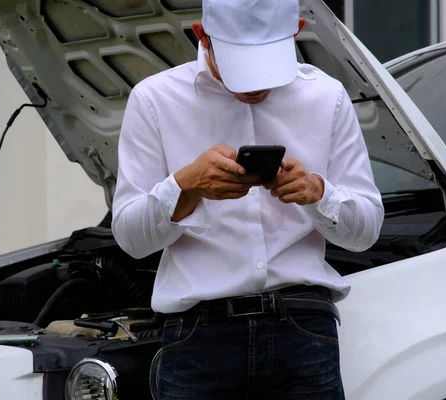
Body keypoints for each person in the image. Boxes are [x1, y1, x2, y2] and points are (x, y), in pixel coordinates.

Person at [111, 0, 384, 398]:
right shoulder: (154, 100)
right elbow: (131, 241)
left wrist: (318, 193)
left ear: (297, 29)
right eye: (241, 65)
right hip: (198, 340)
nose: (254, 86)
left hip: (304, 329)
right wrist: (186, 186)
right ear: (201, 35)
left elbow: (366, 232)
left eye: (266, 65)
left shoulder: (327, 97)